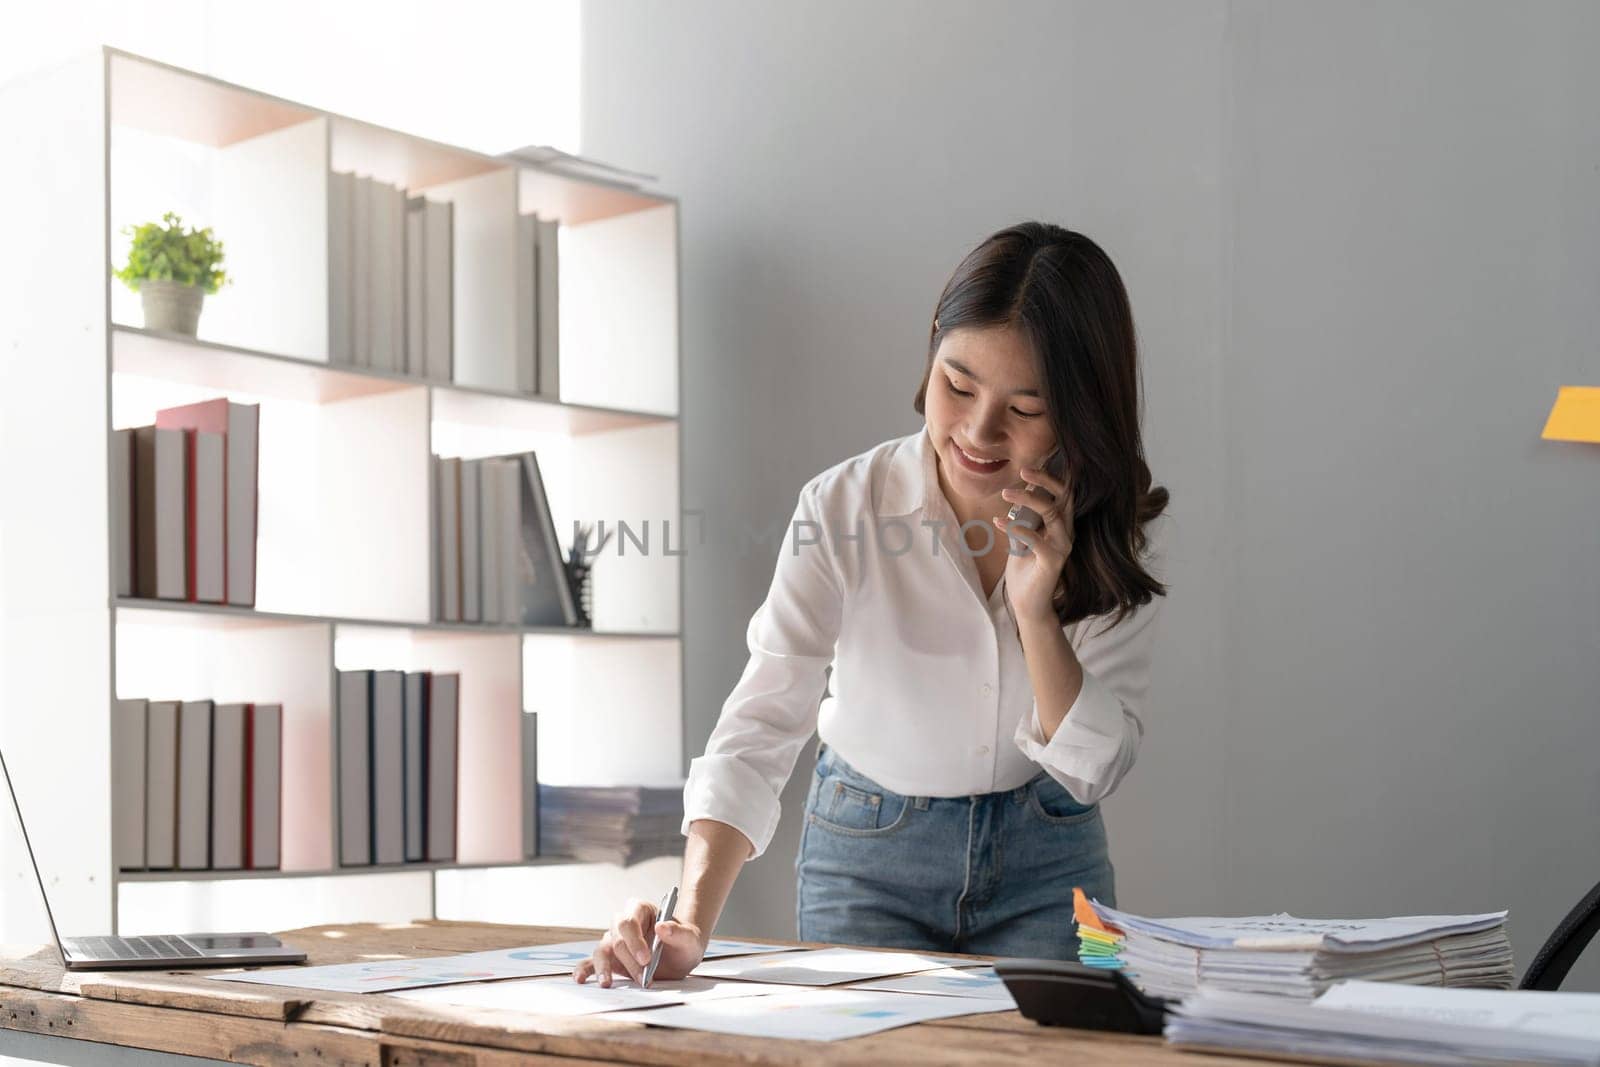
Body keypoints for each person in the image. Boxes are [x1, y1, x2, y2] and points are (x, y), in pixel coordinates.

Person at [576, 221, 1169, 987]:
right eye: (957, 385)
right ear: (931, 354)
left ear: (1081, 410)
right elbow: (763, 721)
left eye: (1024, 408)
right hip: (867, 858)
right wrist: (688, 919)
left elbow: (1092, 769)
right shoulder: (842, 506)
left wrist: (1035, 608)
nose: (978, 432)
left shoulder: (1109, 531)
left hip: (1053, 860)